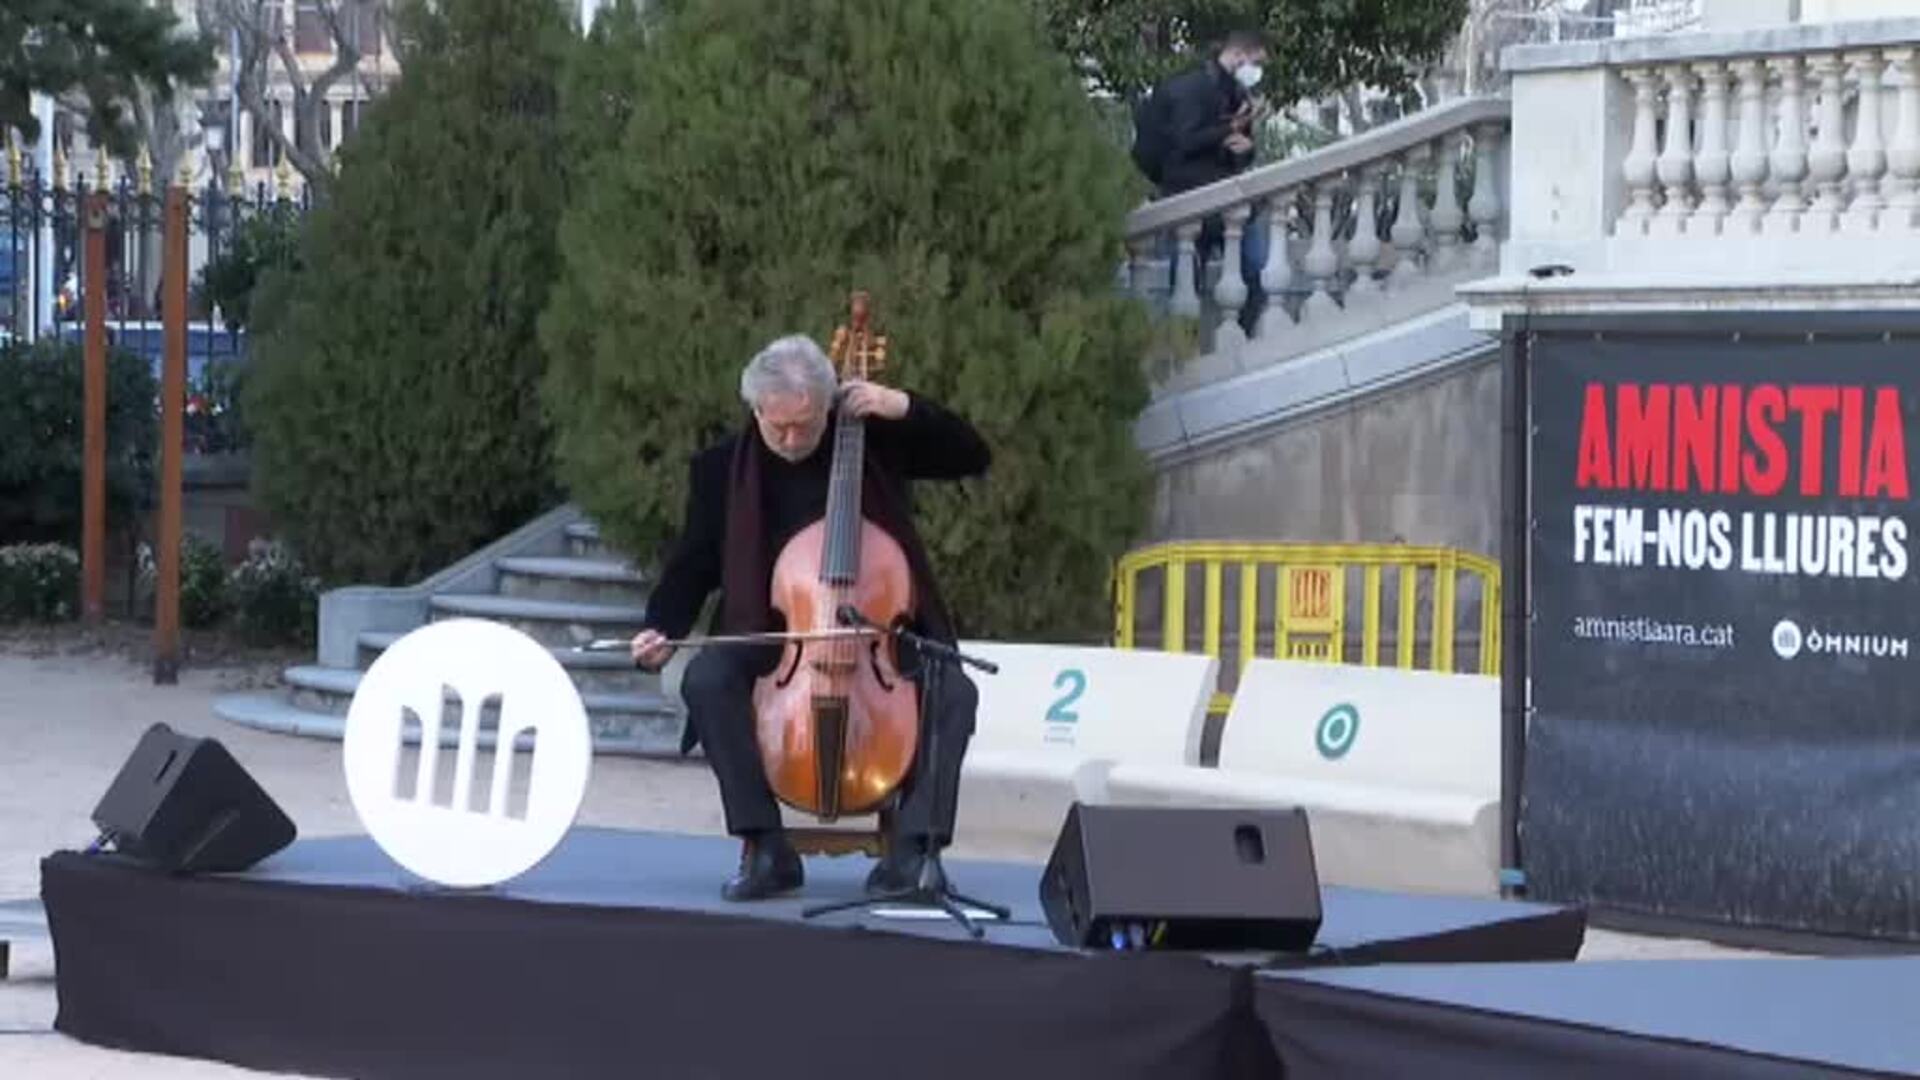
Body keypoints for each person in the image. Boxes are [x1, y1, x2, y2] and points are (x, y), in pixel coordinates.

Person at [629, 333, 991, 902]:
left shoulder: (876, 445)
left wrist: (905, 407)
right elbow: (694, 562)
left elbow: (974, 456)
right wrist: (662, 628)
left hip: (875, 631)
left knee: (955, 692)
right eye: (779, 428)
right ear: (755, 410)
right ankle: (767, 846)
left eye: (806, 424)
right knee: (708, 678)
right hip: (775, 631)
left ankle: (915, 854)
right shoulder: (722, 468)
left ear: (829, 406)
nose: (793, 439)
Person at [1136, 29, 1273, 325]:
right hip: (1188, 197)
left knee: (1256, 268)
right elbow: (1184, 141)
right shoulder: (1190, 88)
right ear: (1239, 55)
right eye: (1257, 62)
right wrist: (1228, 130)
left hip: (1228, 194)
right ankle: (1184, 347)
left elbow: (1240, 146)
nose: (1258, 72)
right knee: (1185, 280)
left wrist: (1246, 148)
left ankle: (1247, 339)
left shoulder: (1237, 92)